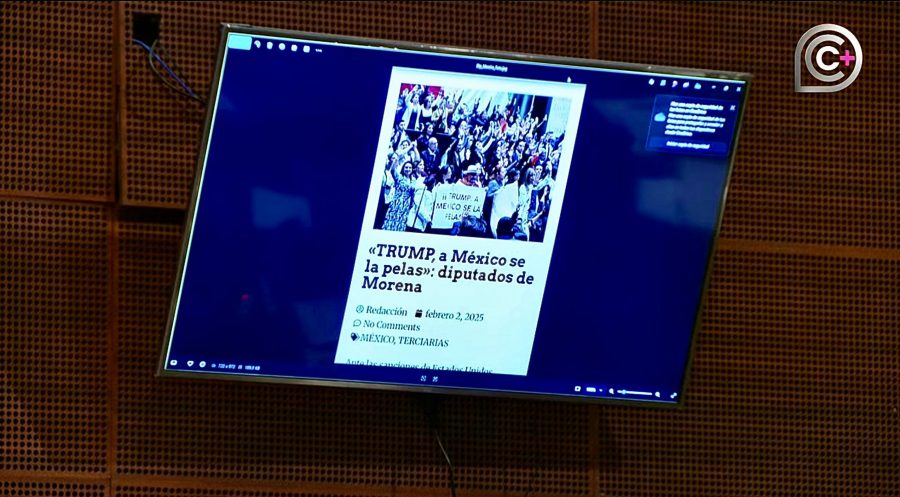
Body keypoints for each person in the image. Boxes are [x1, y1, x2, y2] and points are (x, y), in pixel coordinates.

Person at [382, 160, 417, 231]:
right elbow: (393, 170)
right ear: (403, 168)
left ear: (412, 169)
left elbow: (413, 193)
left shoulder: (414, 180)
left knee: (401, 224)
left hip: (406, 205)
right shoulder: (399, 177)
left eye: (410, 168)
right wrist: (395, 160)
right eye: (406, 167)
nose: (408, 169)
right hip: (396, 204)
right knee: (391, 222)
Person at [490, 168, 520, 236]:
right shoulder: (493, 183)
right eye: (503, 172)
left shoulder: (508, 185)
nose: (518, 177)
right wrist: (499, 192)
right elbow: (490, 195)